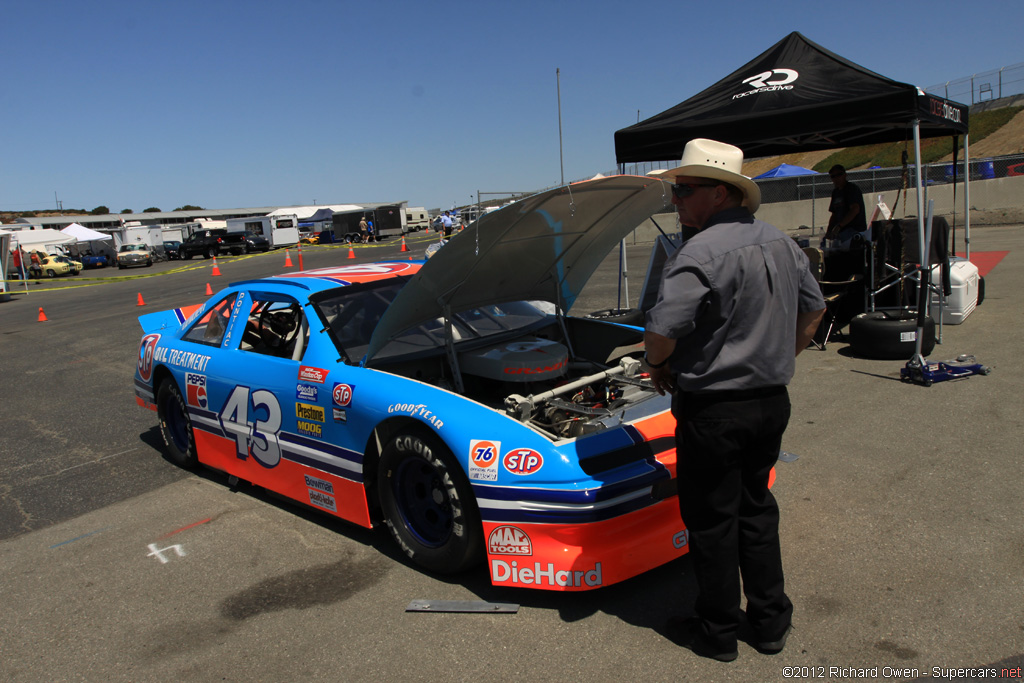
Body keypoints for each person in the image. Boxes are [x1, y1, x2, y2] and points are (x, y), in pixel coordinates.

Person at [644, 138, 825, 662]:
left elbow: (662, 331)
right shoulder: (784, 243)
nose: (676, 199)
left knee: (711, 521)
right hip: (771, 401)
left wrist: (658, 366)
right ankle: (770, 622)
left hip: (715, 410)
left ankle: (718, 632)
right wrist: (775, 359)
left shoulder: (696, 253)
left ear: (720, 194)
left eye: (685, 190)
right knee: (756, 509)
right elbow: (814, 314)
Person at [825, 164, 866, 243]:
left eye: (839, 175)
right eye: (833, 176)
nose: (837, 178)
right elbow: (834, 214)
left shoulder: (851, 189)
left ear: (845, 175)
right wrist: (829, 230)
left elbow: (855, 209)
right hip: (841, 233)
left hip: (854, 230)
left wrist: (840, 225)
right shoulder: (835, 192)